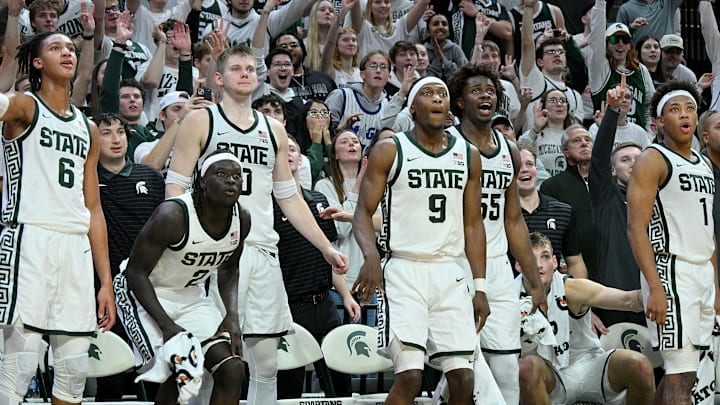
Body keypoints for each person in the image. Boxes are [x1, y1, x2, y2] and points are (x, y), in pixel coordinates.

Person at [166, 45, 348, 405]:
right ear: (218, 78)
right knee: (209, 361)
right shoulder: (201, 121)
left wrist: (325, 246)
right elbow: (175, 186)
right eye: (236, 68)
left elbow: (289, 196)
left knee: (265, 363)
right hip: (212, 252)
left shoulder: (275, 130)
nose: (246, 73)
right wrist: (184, 240)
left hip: (261, 248)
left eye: (251, 68)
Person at [352, 76, 488, 405]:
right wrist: (371, 258)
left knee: (463, 380)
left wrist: (480, 286)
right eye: (427, 94)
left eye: (442, 94)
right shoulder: (390, 149)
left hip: (449, 272)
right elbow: (361, 213)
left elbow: (473, 224)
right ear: (412, 108)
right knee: (410, 378)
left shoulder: (468, 155)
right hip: (404, 270)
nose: (438, 99)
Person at [0, 30, 115, 404]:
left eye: (70, 47)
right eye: (55, 48)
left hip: (75, 248)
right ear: (37, 62)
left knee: (74, 373)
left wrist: (105, 282)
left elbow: (94, 208)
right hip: (28, 238)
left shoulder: (89, 127)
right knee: (19, 368)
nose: (67, 52)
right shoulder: (24, 107)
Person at [445, 63, 546, 405]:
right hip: (455, 262)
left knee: (505, 373)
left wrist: (533, 277)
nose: (486, 95)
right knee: (467, 373)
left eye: (491, 91)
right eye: (476, 90)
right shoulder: (446, 145)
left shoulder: (510, 150)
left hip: (499, 267)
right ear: (459, 102)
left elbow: (514, 220)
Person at [120, 150, 249, 404]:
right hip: (144, 293)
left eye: (237, 176)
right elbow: (135, 272)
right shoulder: (173, 215)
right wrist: (167, 326)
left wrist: (232, 315)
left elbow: (229, 268)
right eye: (221, 174)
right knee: (179, 368)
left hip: (190, 294)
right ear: (202, 180)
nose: (231, 181)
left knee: (232, 369)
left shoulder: (241, 219)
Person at [627, 81, 718, 405]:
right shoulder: (653, 158)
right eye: (675, 109)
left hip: (701, 272)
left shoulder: (704, 163)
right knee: (680, 374)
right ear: (659, 121)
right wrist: (655, 286)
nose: (685, 115)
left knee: (687, 375)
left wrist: (716, 286)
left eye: (691, 108)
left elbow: (708, 233)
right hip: (670, 271)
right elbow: (636, 228)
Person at [517, 232, 655, 404]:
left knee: (640, 365)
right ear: (518, 265)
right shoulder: (507, 298)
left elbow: (628, 300)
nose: (538, 265)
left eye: (544, 257)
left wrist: (656, 291)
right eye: (530, 258)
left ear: (554, 262)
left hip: (589, 365)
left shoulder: (573, 289)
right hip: (549, 376)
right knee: (524, 368)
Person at [275, 135, 358, 398]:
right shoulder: (267, 206)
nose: (287, 154)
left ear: (301, 159)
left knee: (340, 383)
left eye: (292, 150)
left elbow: (330, 254)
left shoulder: (319, 199)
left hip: (324, 304)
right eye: (280, 150)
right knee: (290, 387)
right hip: (289, 307)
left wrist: (345, 295)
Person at [95, 112, 165, 401]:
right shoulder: (86, 180)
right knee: (111, 377)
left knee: (156, 374)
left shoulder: (149, 177)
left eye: (120, 132)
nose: (115, 139)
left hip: (150, 289)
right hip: (104, 288)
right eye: (106, 133)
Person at [589, 78, 646, 328]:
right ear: (613, 171)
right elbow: (599, 158)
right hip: (613, 303)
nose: (634, 163)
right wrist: (612, 112)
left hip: (650, 299)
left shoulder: (657, 200)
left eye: (638, 158)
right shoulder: (606, 195)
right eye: (625, 159)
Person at [516, 143, 588, 279]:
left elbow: (575, 262)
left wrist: (578, 298)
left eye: (529, 164)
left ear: (537, 169)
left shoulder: (562, 211)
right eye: (518, 166)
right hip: (510, 293)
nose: (525, 170)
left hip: (553, 292)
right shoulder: (500, 213)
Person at [589, 4, 654, 130]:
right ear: (606, 44)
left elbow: (651, 106)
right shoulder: (601, 69)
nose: (620, 44)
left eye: (625, 40)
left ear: (630, 45)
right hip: (607, 133)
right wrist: (601, 3)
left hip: (635, 137)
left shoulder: (641, 71)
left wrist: (648, 135)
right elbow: (595, 39)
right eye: (615, 39)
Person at [424, 13, 468, 81]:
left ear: (448, 32)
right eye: (436, 24)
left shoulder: (455, 49)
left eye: (444, 24)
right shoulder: (423, 51)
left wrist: (444, 60)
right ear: (428, 32)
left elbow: (465, 76)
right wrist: (436, 62)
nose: (440, 27)